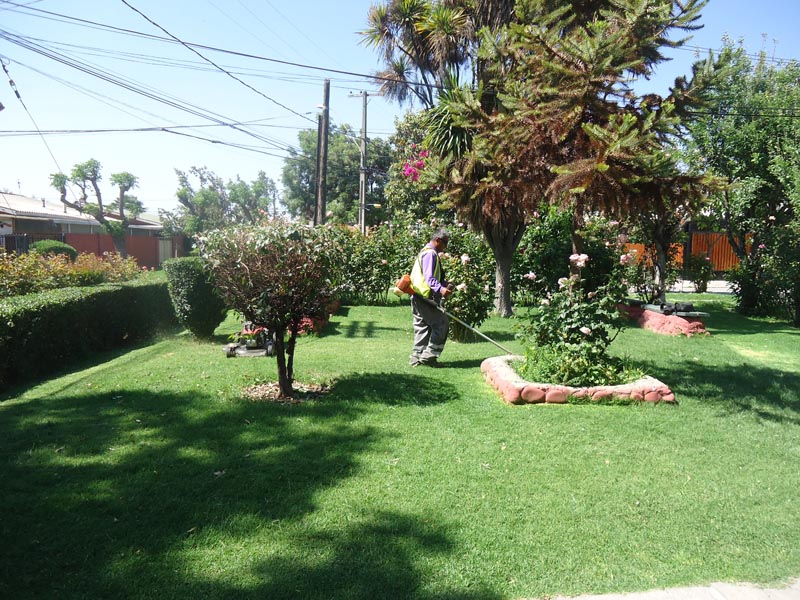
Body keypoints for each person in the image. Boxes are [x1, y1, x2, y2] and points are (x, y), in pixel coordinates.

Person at [409, 229, 452, 367]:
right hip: (426, 298)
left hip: (417, 295)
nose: (445, 247)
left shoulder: (424, 251)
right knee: (442, 324)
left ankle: (416, 358)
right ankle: (429, 357)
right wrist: (441, 289)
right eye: (445, 243)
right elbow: (429, 277)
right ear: (438, 240)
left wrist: (444, 283)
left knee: (422, 327)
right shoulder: (430, 254)